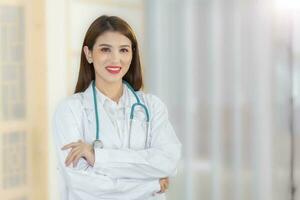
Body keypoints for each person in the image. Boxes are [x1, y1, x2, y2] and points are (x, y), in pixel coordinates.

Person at [52, 15, 181, 200]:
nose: (115, 59)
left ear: (132, 54)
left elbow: (167, 161)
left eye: (124, 50)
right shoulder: (69, 111)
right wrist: (151, 183)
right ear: (88, 54)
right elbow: (82, 185)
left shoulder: (152, 106)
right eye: (105, 49)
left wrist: (98, 157)